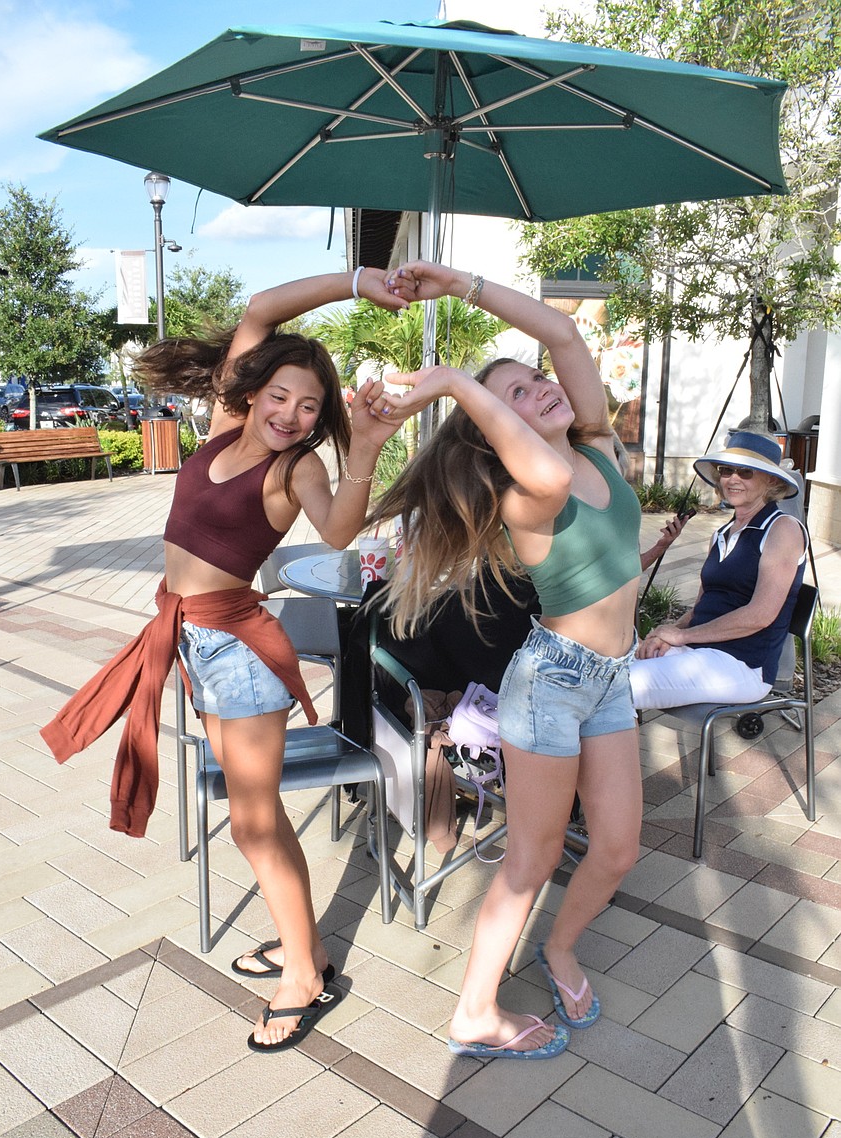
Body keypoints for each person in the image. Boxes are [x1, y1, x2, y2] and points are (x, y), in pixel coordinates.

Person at [41, 267, 405, 1054]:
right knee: (255, 817)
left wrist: (366, 445)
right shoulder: (220, 426)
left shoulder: (294, 467)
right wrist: (355, 282)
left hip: (237, 650)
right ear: (253, 389)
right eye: (282, 395)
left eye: (311, 406)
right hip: (193, 643)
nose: (292, 413)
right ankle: (299, 937)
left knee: (251, 821)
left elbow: (340, 531)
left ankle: (303, 974)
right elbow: (263, 307)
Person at [370, 260, 645, 1060]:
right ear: (496, 430)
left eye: (535, 380)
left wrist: (462, 284)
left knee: (620, 845)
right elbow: (543, 465)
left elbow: (562, 331)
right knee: (533, 855)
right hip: (550, 683)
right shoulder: (532, 494)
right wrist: (458, 382)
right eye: (518, 393)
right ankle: (474, 1011)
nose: (541, 387)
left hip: (610, 679)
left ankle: (558, 950)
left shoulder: (597, 447)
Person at [629, 431, 807, 710]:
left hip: (744, 665)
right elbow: (701, 607)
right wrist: (666, 633)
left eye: (746, 472)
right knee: (604, 671)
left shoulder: (782, 529)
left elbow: (760, 615)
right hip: (700, 652)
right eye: (726, 470)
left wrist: (682, 637)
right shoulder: (721, 533)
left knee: (619, 687)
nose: (732, 479)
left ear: (771, 480)